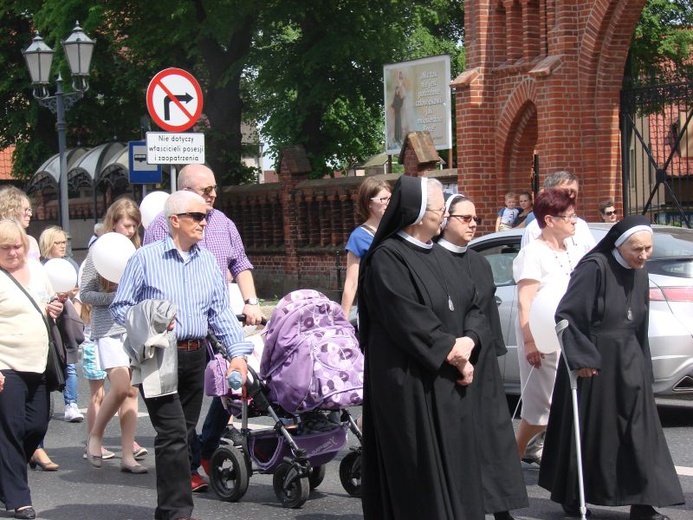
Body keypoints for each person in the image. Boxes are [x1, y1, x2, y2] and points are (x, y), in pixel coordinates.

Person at [111, 190, 254, 520]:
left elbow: (219, 313)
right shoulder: (145, 259)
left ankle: (169, 510)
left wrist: (237, 353)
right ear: (174, 221)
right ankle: (177, 513)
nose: (205, 221)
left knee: (182, 436)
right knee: (173, 434)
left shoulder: (207, 261)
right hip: (158, 356)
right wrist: (148, 317)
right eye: (197, 216)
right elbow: (120, 307)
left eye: (205, 216)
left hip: (194, 356)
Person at [358, 175, 490, 519]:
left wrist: (470, 340)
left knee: (458, 467)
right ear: (417, 212)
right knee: (419, 472)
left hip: (448, 381)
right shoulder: (387, 259)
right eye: (438, 209)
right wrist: (454, 352)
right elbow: (407, 318)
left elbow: (475, 304)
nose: (444, 215)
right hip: (411, 383)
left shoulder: (443, 255)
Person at [539, 216, 685, 519]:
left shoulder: (639, 270)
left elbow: (639, 322)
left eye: (648, 249)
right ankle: (574, 496)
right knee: (593, 434)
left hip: (630, 359)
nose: (644, 256)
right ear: (619, 246)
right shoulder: (594, 268)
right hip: (596, 362)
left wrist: (644, 365)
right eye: (637, 249)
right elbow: (566, 316)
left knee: (640, 434)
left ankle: (643, 504)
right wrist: (583, 359)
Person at [144, 163, 263, 491]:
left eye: (214, 188)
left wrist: (251, 301)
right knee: (182, 410)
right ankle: (189, 464)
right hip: (183, 326)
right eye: (204, 189)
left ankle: (208, 445)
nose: (213, 194)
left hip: (221, 313)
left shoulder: (223, 223)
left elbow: (240, 263)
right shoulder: (159, 227)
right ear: (182, 193)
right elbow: (151, 277)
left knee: (235, 385)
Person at [436, 194, 528, 519]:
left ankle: (501, 510)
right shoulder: (432, 259)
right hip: (451, 363)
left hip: (483, 360)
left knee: (492, 437)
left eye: (476, 218)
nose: (473, 223)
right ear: (444, 220)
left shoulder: (479, 262)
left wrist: (492, 352)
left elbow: (486, 311)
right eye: (465, 218)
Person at [512, 189, 587, 464]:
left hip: (570, 334)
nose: (574, 221)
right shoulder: (533, 253)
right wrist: (530, 341)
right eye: (568, 216)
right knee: (541, 408)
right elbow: (525, 302)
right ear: (550, 219)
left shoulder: (576, 249)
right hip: (541, 337)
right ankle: (512, 456)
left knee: (567, 403)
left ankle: (564, 462)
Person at [0, 219, 64, 520]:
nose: (14, 253)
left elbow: (48, 300)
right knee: (10, 431)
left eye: (18, 246)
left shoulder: (36, 270)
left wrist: (54, 307)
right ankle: (18, 499)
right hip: (5, 364)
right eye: (5, 248)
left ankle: (4, 478)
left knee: (36, 425)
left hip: (38, 363)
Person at [82, 198, 147, 474]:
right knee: (120, 387)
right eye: (126, 225)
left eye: (134, 226)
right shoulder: (99, 252)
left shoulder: (138, 251)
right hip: (108, 329)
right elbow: (85, 293)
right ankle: (95, 436)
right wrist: (114, 297)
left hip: (133, 328)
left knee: (132, 391)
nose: (131, 231)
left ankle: (127, 455)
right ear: (114, 223)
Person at [38, 226, 82, 423]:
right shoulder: (39, 266)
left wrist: (70, 294)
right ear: (48, 244)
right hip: (46, 316)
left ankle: (71, 404)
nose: (63, 246)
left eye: (65, 242)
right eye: (58, 242)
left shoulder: (69, 263)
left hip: (65, 315)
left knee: (70, 360)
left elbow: (77, 289)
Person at [340, 177, 391, 321]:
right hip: (374, 312)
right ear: (369, 203)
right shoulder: (358, 237)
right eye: (383, 199)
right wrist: (342, 321)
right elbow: (351, 282)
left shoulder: (397, 231)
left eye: (390, 199)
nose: (388, 203)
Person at [521, 171, 595, 253]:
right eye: (565, 193)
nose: (571, 197)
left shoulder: (581, 225)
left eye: (574, 193)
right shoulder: (534, 229)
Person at [0, 186, 40, 261]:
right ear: (12, 210)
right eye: (26, 209)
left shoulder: (31, 241)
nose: (30, 214)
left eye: (30, 210)